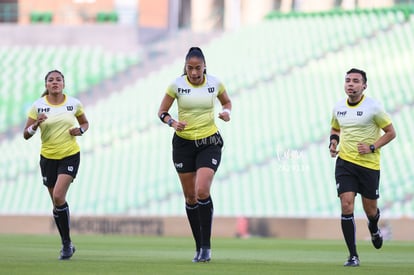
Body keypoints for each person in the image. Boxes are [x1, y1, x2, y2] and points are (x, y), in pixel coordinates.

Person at [157, 47, 232, 263]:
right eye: (190, 68)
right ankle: (198, 246)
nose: (194, 72)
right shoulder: (176, 86)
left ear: (204, 66)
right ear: (185, 68)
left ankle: (206, 247)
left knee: (201, 190)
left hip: (209, 142)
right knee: (190, 196)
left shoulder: (215, 83)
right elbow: (162, 112)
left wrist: (227, 112)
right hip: (183, 145)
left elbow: (227, 102)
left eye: (198, 68)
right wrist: (172, 122)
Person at [329, 68, 396, 267]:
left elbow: (391, 132)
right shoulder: (339, 107)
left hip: (368, 166)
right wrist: (333, 143)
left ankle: (374, 228)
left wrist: (372, 146)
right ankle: (353, 256)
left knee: (371, 211)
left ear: (364, 86)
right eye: (348, 80)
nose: (351, 84)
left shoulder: (373, 107)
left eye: (356, 81)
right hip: (345, 163)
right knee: (346, 204)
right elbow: (335, 128)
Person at [23, 70, 89, 260]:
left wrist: (80, 130)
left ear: (63, 84)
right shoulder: (38, 106)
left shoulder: (73, 103)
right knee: (56, 203)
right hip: (48, 158)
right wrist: (35, 124)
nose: (54, 82)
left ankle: (66, 245)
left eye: (58, 79)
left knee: (59, 195)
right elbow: (26, 134)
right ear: (46, 85)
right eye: (51, 80)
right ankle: (67, 243)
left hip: (69, 155)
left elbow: (85, 123)